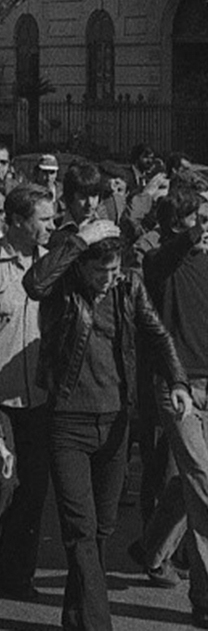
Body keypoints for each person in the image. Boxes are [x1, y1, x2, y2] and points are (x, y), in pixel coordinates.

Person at [24, 222, 192, 631]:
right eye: (101, 271)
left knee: (100, 531)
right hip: (67, 424)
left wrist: (178, 381)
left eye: (115, 269)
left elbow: (157, 334)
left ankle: (76, 619)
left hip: (115, 423)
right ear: (82, 265)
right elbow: (35, 284)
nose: (109, 279)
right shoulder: (63, 286)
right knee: (79, 532)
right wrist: (81, 239)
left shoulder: (128, 287)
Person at [134, 185, 208, 630]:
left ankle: (151, 549)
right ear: (178, 223)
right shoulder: (162, 262)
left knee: (197, 481)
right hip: (176, 385)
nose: (206, 226)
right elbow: (165, 259)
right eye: (197, 219)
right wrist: (190, 231)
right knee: (202, 482)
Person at [0, 186, 56, 601]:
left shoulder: (50, 266)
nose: (50, 225)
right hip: (1, 397)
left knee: (33, 489)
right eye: (44, 219)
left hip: (38, 396)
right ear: (18, 220)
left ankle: (19, 575)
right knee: (2, 487)